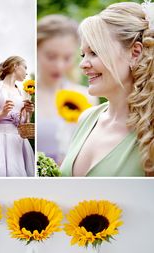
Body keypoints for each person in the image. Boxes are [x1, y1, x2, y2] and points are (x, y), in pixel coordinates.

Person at [61, 2, 154, 177]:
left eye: (94, 52)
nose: (83, 64)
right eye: (83, 54)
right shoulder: (86, 119)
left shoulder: (150, 132)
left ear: (135, 53)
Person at [37, 14, 97, 164]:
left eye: (67, 58)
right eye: (51, 57)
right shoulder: (25, 95)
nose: (59, 66)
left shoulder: (86, 97)